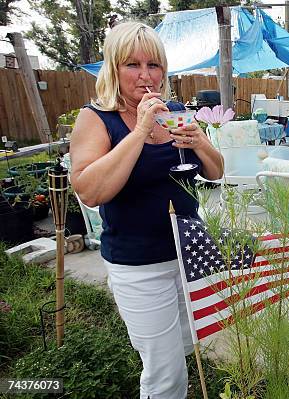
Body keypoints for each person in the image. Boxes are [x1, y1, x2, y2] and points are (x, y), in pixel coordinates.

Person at [70, 21, 224, 399]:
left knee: (187, 346)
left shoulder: (173, 110)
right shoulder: (96, 118)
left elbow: (216, 172)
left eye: (153, 65)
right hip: (139, 265)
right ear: (113, 69)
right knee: (165, 372)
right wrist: (139, 131)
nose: (145, 76)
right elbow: (90, 191)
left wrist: (201, 142)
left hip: (189, 254)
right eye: (132, 65)